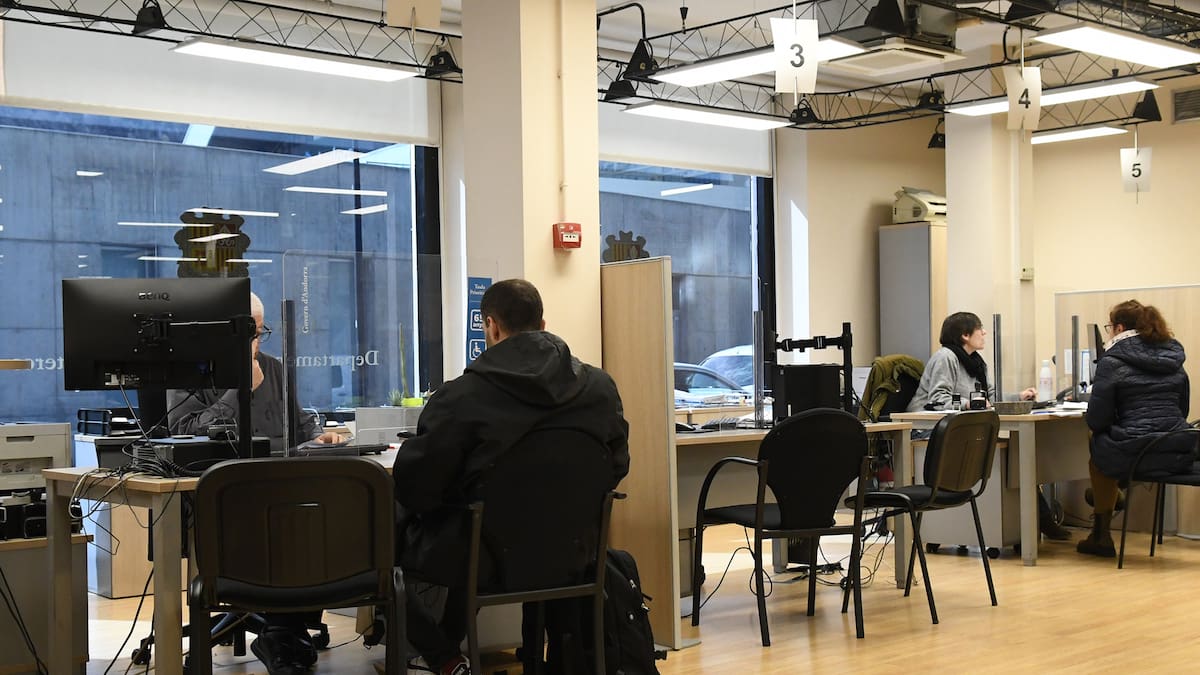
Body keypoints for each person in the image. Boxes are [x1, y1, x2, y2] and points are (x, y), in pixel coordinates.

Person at [393, 279, 630, 675]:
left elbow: (417, 488)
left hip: (482, 560)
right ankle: (449, 651)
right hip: (572, 554)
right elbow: (616, 467)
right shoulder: (600, 389)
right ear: (542, 324)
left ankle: (443, 656)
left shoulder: (461, 397)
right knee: (476, 524)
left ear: (491, 326)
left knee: (378, 535)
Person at [168, 290, 341, 674]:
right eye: (250, 332)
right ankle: (284, 633)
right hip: (222, 503)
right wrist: (239, 391)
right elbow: (184, 434)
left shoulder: (274, 368)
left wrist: (320, 436)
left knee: (317, 515)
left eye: (261, 332)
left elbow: (300, 427)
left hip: (280, 495)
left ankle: (284, 630)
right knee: (288, 527)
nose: (257, 341)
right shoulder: (190, 373)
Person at [908, 312, 1071, 540]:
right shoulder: (946, 357)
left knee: (1017, 453)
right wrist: (971, 403)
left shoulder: (976, 362)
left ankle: (1041, 520)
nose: (984, 332)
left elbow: (991, 396)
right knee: (1009, 453)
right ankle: (1042, 521)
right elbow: (938, 400)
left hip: (960, 428)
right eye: (980, 328)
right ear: (965, 335)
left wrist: (1019, 396)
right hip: (931, 429)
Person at [1077, 300, 1192, 557]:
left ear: (1119, 328)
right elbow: (1182, 409)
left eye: (1109, 327)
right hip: (1177, 451)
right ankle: (1113, 492)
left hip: (1136, 453)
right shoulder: (1173, 357)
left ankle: (1101, 533)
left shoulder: (1111, 360)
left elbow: (1097, 420)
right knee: (1112, 446)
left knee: (1098, 443)